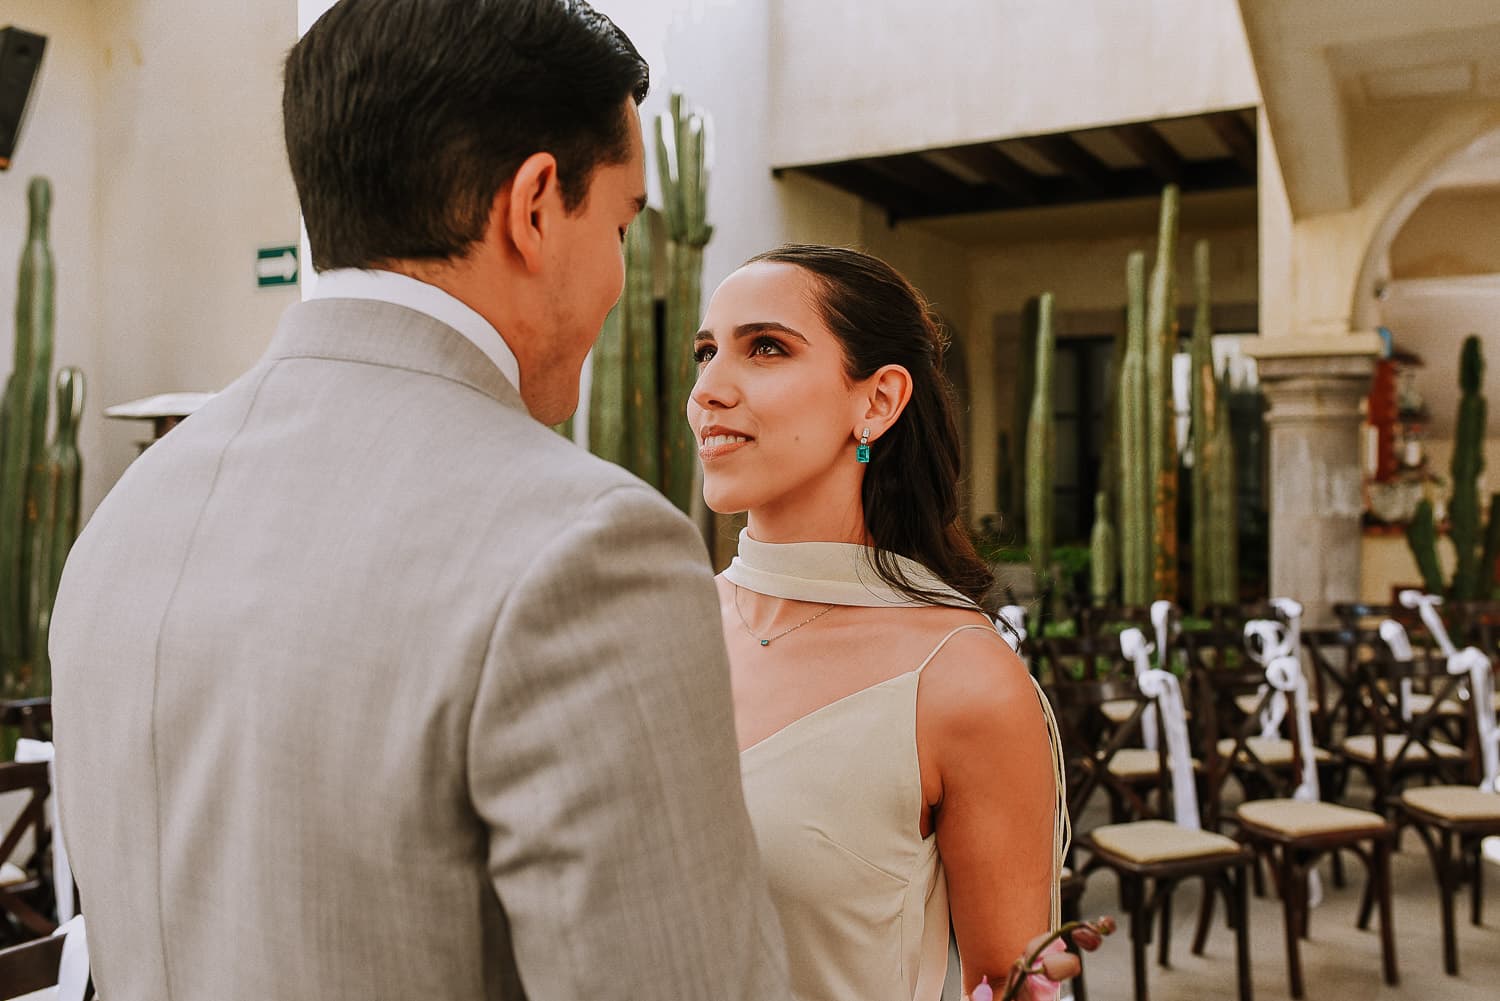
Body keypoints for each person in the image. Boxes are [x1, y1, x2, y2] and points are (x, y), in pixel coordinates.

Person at [49, 1, 788, 998]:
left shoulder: (126, 516)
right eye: (619, 224)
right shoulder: (587, 549)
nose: (621, 272)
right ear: (534, 206)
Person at [688, 245, 1067, 1001]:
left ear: (878, 401)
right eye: (706, 353)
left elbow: (1013, 988)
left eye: (765, 348)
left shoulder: (962, 679)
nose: (708, 391)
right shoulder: (662, 629)